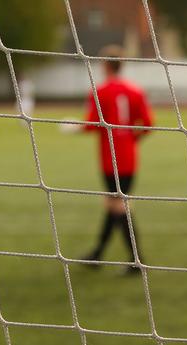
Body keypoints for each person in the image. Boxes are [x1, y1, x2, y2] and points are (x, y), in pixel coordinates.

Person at [61, 45, 153, 273]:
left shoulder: (100, 91)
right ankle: (98, 254)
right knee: (114, 205)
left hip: (109, 159)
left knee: (118, 206)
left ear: (105, 65)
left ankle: (136, 261)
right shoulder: (136, 91)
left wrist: (73, 128)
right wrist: (132, 140)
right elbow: (148, 125)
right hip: (129, 158)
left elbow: (92, 125)